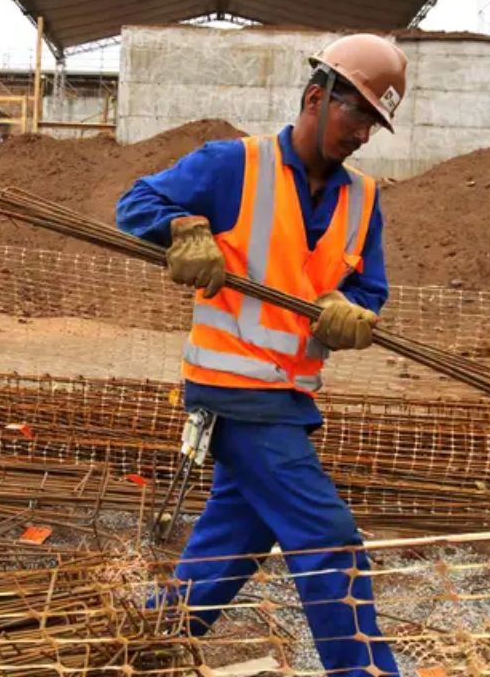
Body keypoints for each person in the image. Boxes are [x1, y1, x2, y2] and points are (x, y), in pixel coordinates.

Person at [116, 34, 406, 676]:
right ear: (315, 96)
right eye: (356, 113)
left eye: (373, 122)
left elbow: (369, 288)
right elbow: (135, 203)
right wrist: (184, 229)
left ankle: (149, 635)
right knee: (328, 536)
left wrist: (352, 310)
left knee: (239, 533)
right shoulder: (232, 166)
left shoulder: (363, 200)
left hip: (289, 396)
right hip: (232, 390)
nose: (363, 133)